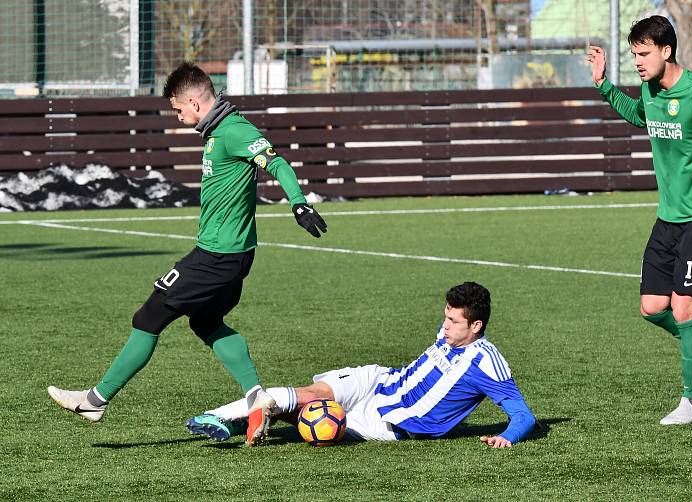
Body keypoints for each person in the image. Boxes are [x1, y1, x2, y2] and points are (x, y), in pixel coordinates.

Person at [47, 62, 328, 446]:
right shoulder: (217, 131)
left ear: (195, 101)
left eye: (178, 109)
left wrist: (298, 203)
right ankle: (255, 396)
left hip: (215, 257)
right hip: (229, 256)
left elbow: (275, 161)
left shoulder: (233, 130)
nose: (177, 116)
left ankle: (95, 400)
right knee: (205, 321)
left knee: (148, 316)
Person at [587, 16, 692, 425]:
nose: (638, 62)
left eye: (643, 54)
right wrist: (604, 85)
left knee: (684, 312)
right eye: (634, 54)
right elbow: (642, 117)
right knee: (652, 307)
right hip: (669, 218)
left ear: (666, 50)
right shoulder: (649, 87)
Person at [186, 282, 539, 447]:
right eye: (444, 317)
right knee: (310, 394)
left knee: (311, 415)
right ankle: (218, 415)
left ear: (476, 326)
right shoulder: (449, 332)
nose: (444, 327)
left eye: (454, 322)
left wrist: (506, 438)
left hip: (387, 423)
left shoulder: (487, 363)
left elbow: (524, 416)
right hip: (379, 380)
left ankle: (245, 419)